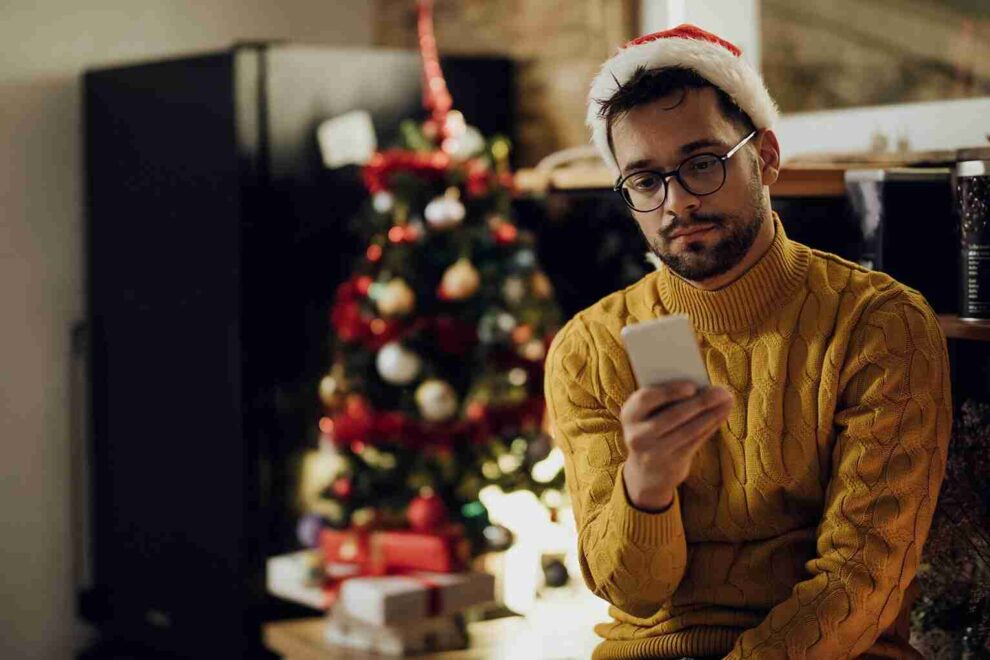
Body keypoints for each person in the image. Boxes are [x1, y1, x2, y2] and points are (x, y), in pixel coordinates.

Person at [544, 24, 951, 660]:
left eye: (702, 164)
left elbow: (862, 581)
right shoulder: (588, 347)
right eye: (646, 181)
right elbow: (633, 594)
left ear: (764, 158)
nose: (676, 201)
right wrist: (646, 484)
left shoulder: (880, 325)